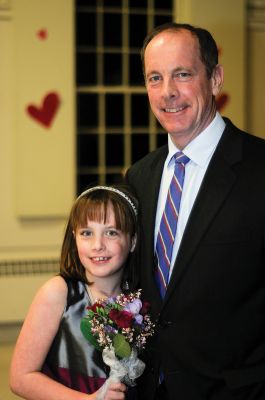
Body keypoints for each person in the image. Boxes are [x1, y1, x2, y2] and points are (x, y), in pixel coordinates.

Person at [125, 22, 265, 400]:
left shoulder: (260, 168)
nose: (168, 92)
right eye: (155, 78)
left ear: (215, 78)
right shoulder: (138, 176)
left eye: (182, 74)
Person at [9, 185, 139, 400]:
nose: (98, 245)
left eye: (111, 232)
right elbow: (20, 378)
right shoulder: (58, 292)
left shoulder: (139, 299)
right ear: (74, 237)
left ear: (132, 241)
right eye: (86, 233)